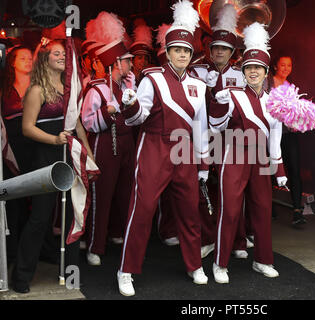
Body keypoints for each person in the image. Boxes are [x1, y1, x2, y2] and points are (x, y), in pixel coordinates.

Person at [117, 0, 209, 296]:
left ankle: (195, 265)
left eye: (186, 50)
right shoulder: (152, 78)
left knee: (189, 211)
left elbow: (201, 126)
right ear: (167, 53)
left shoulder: (199, 85)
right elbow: (138, 116)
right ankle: (126, 270)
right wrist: (128, 105)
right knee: (142, 210)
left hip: (185, 151)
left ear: (191, 54)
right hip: (154, 147)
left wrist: (204, 163)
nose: (182, 54)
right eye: (177, 50)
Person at [12, 39, 93, 293]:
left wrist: (89, 157)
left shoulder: (69, 88)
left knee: (72, 216)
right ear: (45, 59)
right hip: (45, 161)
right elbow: (27, 128)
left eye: (63, 54)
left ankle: (69, 273)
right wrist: (54, 139)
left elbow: (77, 125)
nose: (61, 57)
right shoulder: (36, 90)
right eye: (56, 53)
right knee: (40, 218)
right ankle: (21, 278)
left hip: (69, 157)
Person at [209, 22, 287, 284]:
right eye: (249, 68)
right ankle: (220, 263)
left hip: (261, 159)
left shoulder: (274, 101)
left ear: (266, 72)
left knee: (263, 209)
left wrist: (280, 169)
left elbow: (274, 136)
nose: (253, 72)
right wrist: (217, 107)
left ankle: (263, 260)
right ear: (243, 71)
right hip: (233, 154)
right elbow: (215, 126)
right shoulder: (231, 94)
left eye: (258, 68)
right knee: (230, 210)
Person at [189, 3, 248, 260]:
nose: (220, 52)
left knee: (233, 192)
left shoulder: (241, 74)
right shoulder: (197, 70)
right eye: (216, 48)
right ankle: (208, 237)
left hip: (232, 140)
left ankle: (238, 239)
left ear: (232, 51)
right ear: (210, 49)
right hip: (203, 138)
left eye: (225, 48)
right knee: (202, 188)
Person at [81, 12, 136, 266]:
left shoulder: (128, 85)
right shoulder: (96, 88)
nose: (131, 64)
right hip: (105, 144)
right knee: (101, 196)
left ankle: (119, 235)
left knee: (126, 194)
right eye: (126, 61)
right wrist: (107, 111)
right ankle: (95, 246)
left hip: (127, 144)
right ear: (115, 63)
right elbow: (87, 122)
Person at [1, 45, 33, 265]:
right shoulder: (4, 89)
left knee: (35, 200)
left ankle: (33, 250)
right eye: (23, 58)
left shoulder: (39, 87)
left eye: (31, 58)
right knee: (13, 201)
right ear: (12, 62)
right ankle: (11, 253)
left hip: (34, 147)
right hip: (10, 150)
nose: (28, 61)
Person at [266, 54, 307, 227]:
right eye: (282, 65)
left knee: (294, 170)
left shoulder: (292, 86)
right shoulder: (267, 82)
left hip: (289, 134)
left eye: (289, 65)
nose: (285, 68)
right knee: (268, 171)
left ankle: (297, 210)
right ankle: (268, 208)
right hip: (270, 133)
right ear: (275, 66)